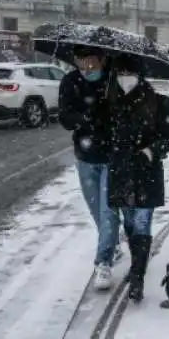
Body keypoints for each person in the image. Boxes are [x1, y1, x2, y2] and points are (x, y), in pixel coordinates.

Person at [105, 57, 169, 302]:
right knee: (130, 223)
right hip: (120, 172)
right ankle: (137, 260)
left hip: (147, 172)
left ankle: (137, 276)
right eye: (121, 72)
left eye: (130, 72)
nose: (125, 77)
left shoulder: (159, 103)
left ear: (140, 75)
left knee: (142, 222)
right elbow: (100, 136)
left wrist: (150, 151)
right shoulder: (108, 103)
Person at [59, 46, 122, 291]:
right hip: (85, 157)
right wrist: (85, 117)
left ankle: (103, 262)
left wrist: (108, 112)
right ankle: (112, 242)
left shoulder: (114, 80)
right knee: (97, 210)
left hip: (112, 156)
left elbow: (127, 113)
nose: (87, 70)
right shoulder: (70, 82)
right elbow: (65, 118)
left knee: (108, 211)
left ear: (103, 59)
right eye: (81, 64)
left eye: (92, 64)